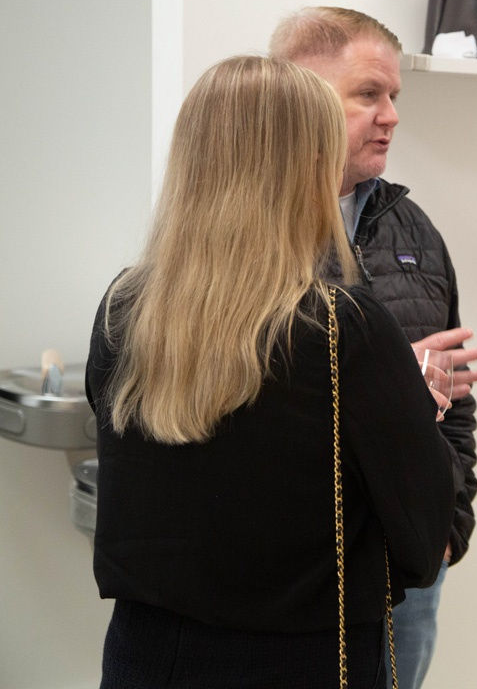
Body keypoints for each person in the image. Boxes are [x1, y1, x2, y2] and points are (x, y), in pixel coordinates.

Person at [86, 55, 456, 688]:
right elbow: (423, 542)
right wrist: (414, 413)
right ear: (307, 168)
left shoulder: (124, 305)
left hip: (143, 655)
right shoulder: (345, 326)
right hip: (302, 659)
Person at [269, 7, 477, 689]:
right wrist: (394, 393)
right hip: (300, 572)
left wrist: (451, 522)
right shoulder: (247, 234)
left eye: (394, 97)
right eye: (368, 95)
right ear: (301, 94)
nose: (390, 115)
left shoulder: (411, 229)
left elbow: (456, 397)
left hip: (410, 565)